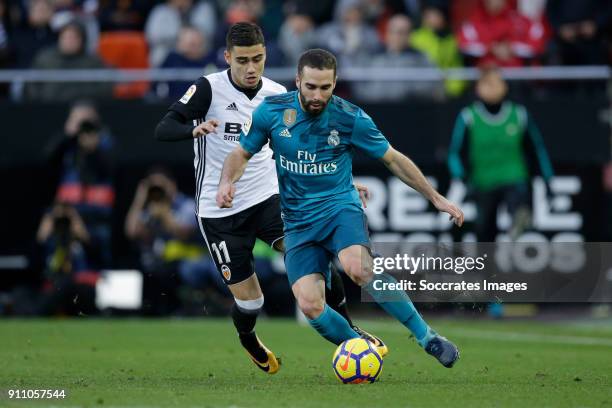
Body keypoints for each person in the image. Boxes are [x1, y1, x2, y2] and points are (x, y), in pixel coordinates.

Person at [154, 23, 382, 375]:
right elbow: (163, 128)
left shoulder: (278, 96)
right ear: (228, 57)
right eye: (242, 60)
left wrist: (347, 183)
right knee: (251, 301)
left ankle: (349, 332)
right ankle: (248, 339)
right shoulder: (207, 89)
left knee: (317, 256)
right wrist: (192, 129)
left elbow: (312, 149)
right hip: (219, 212)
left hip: (267, 199)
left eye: (257, 59)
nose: (250, 68)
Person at [217, 48, 464, 368]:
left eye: (325, 87)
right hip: (297, 222)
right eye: (311, 87)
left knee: (358, 267)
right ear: (297, 81)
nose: (318, 95)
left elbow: (392, 159)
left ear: (335, 84)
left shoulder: (351, 117)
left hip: (339, 209)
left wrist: (435, 197)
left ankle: (427, 337)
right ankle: (359, 349)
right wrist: (227, 182)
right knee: (308, 304)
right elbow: (241, 153)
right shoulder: (272, 112)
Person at [448, 67, 554, 241]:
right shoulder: (469, 116)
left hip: (513, 176)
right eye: (487, 84)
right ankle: (489, 263)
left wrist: (547, 179)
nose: (492, 88)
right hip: (483, 181)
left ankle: (518, 219)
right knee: (485, 231)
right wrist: (461, 178)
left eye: (497, 83)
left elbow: (537, 149)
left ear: (505, 87)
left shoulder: (519, 115)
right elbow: (454, 152)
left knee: (518, 200)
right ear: (478, 88)